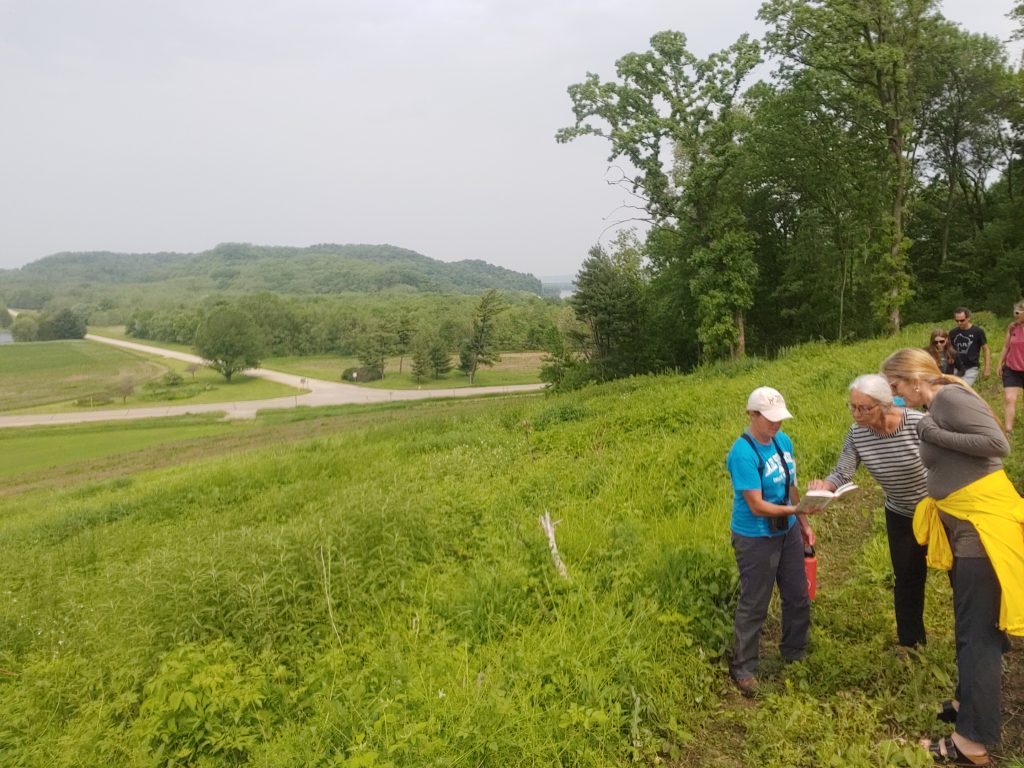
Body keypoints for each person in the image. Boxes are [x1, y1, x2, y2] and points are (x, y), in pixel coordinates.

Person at [882, 348, 1024, 767]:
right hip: (967, 525)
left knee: (976, 635)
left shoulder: (946, 399)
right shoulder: (939, 401)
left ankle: (972, 744)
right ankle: (968, 705)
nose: (894, 393)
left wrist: (931, 431)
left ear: (913, 378)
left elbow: (997, 445)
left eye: (895, 385)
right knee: (972, 628)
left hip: (981, 528)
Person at [808, 374, 929, 647]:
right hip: (900, 512)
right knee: (907, 576)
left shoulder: (917, 423)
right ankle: (912, 643)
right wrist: (825, 486)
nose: (857, 414)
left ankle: (980, 637)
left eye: (865, 408)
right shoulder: (857, 433)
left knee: (958, 573)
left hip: (937, 508)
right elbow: (843, 470)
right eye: (853, 407)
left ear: (885, 404)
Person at [726, 386, 815, 697]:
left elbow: (791, 484)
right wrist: (797, 509)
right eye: (769, 419)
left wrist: (802, 521)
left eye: (780, 419)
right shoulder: (742, 453)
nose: (776, 424)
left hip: (787, 529)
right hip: (755, 537)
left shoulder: (783, 441)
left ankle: (795, 652)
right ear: (752, 415)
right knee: (755, 602)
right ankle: (744, 667)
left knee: (797, 595)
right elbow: (756, 505)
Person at [997, 300, 1024, 435]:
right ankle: (1008, 430)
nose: (1016, 314)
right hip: (1012, 368)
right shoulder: (1013, 327)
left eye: (1018, 312)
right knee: (1009, 398)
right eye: (1015, 312)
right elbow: (1006, 346)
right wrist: (1000, 363)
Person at [948, 307, 990, 386]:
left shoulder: (977, 332)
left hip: (971, 367)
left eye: (962, 320)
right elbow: (949, 349)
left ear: (968, 318)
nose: (959, 323)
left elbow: (986, 349)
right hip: (956, 367)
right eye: (957, 321)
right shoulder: (953, 333)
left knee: (964, 388)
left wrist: (987, 368)